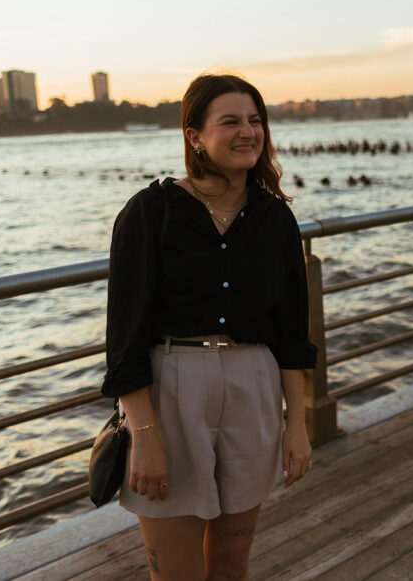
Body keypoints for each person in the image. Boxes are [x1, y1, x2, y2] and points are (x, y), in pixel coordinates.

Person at [102, 73, 318, 579]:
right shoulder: (148, 213)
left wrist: (298, 426)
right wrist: (146, 436)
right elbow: (124, 340)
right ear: (194, 136)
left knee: (229, 562)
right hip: (170, 392)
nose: (248, 132)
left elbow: (291, 335)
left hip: (253, 388)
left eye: (255, 120)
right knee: (175, 572)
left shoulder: (275, 219)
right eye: (230, 122)